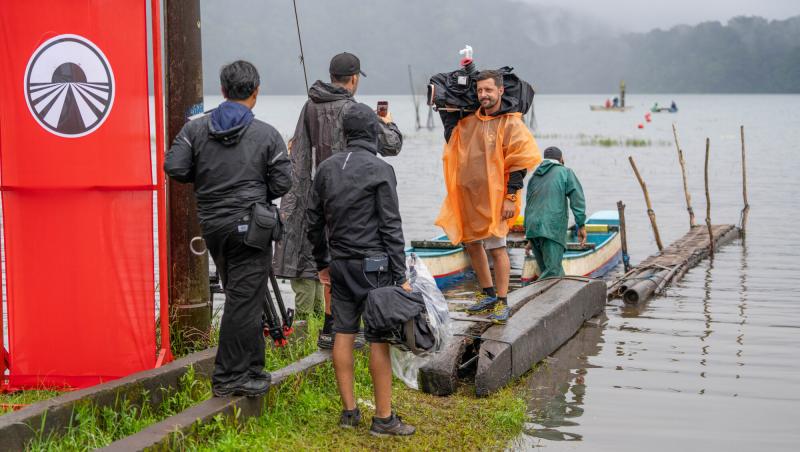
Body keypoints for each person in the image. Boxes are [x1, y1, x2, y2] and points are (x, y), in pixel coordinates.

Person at [164, 61, 292, 397]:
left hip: (214, 225)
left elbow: (174, 166)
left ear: (222, 91)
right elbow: (283, 181)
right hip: (253, 225)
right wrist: (254, 190)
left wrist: (207, 181)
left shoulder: (195, 129)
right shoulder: (267, 134)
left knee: (243, 296)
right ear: (256, 91)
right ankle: (228, 378)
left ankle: (252, 368)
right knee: (242, 300)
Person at [273, 52, 403, 350]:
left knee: (328, 261)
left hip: (322, 194)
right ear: (354, 79)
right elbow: (391, 145)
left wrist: (294, 209)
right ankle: (355, 329)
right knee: (357, 259)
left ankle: (331, 330)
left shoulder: (310, 106)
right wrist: (388, 123)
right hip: (356, 198)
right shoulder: (354, 110)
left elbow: (300, 160)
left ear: (331, 76)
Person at [307, 103, 415, 436]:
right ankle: (383, 419)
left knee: (343, 334)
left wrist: (323, 263)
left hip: (340, 264)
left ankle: (349, 412)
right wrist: (401, 277)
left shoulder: (326, 169)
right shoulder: (381, 169)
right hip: (375, 267)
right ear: (373, 132)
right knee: (378, 339)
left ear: (344, 133)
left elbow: (312, 222)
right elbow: (391, 227)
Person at [436, 70, 541, 324]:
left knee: (497, 247)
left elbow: (519, 161)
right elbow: (451, 133)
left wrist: (511, 197)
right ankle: (488, 294)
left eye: (488, 90)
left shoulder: (511, 122)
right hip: (469, 196)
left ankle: (503, 301)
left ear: (500, 91)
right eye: (480, 90)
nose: (483, 95)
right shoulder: (470, 120)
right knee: (472, 243)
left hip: (496, 197)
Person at [524, 146, 586, 279]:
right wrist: (581, 225)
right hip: (551, 228)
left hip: (532, 228)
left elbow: (529, 204)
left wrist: (530, 236)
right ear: (561, 159)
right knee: (552, 273)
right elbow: (577, 199)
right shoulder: (565, 172)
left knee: (549, 271)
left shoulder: (534, 176)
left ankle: (552, 297)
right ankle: (527, 297)